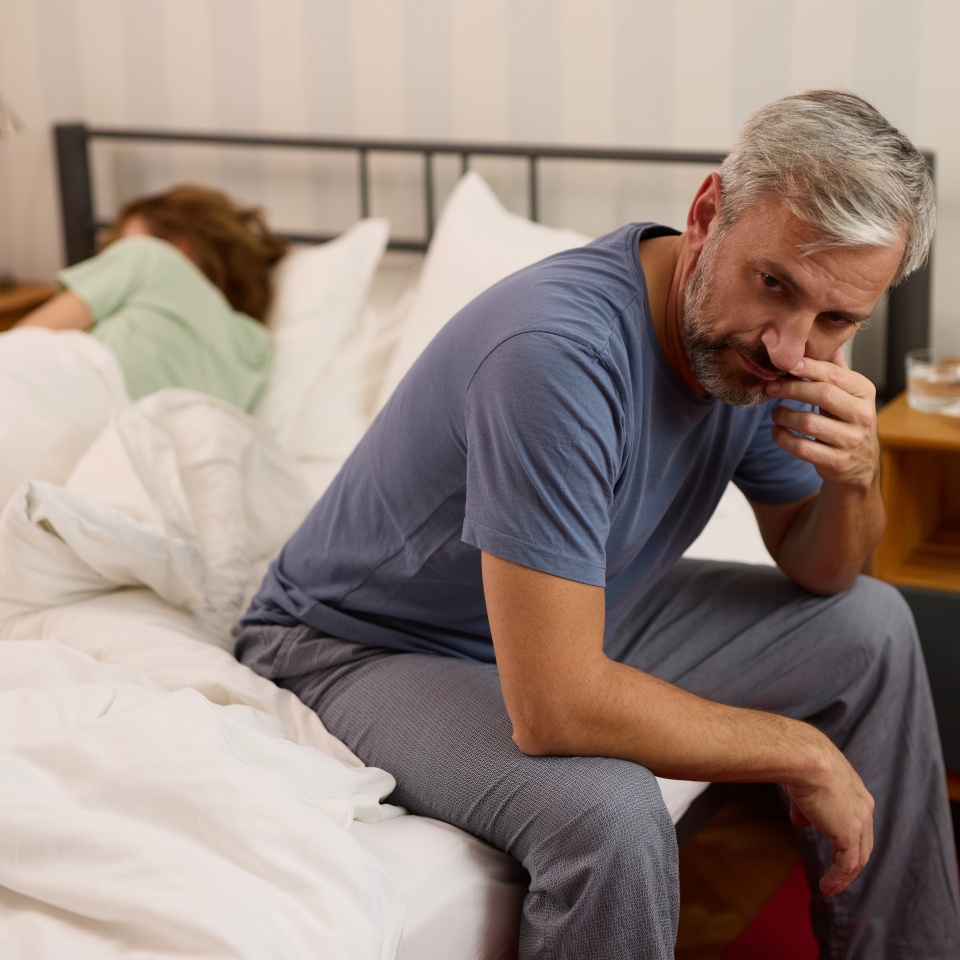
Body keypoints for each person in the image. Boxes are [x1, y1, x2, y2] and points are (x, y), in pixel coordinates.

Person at [236, 90, 960, 958]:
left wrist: (856, 481)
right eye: (775, 284)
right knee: (611, 812)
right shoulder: (556, 354)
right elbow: (555, 707)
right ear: (706, 216)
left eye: (838, 319)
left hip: (575, 607)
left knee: (871, 623)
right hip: (366, 646)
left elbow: (822, 573)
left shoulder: (757, 355)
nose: (790, 348)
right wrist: (801, 751)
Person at [15, 185, 286, 411]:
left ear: (180, 249)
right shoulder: (255, 348)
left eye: (120, 245)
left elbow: (21, 348)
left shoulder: (150, 256)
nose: (107, 258)